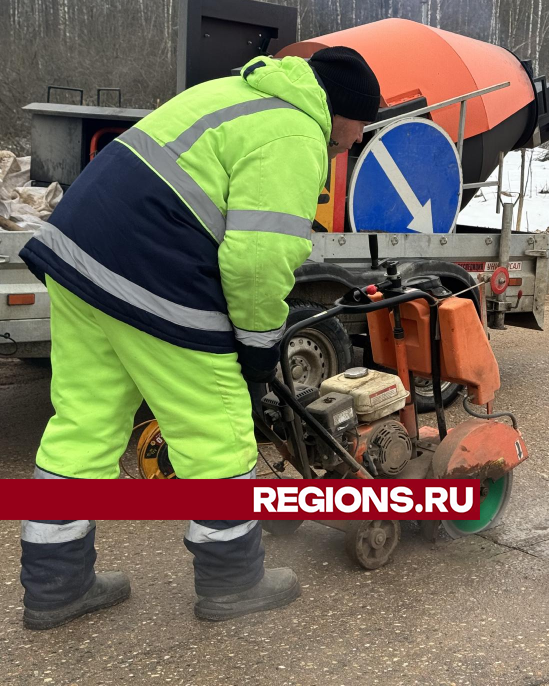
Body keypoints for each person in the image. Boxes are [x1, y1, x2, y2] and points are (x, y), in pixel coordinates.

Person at [17, 46, 381, 629]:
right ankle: (233, 582)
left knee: (83, 424)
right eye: (357, 130)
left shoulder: (231, 94)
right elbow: (259, 262)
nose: (353, 143)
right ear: (344, 111)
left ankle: (56, 584)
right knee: (216, 431)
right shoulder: (295, 132)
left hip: (77, 257)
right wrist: (260, 348)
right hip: (154, 273)